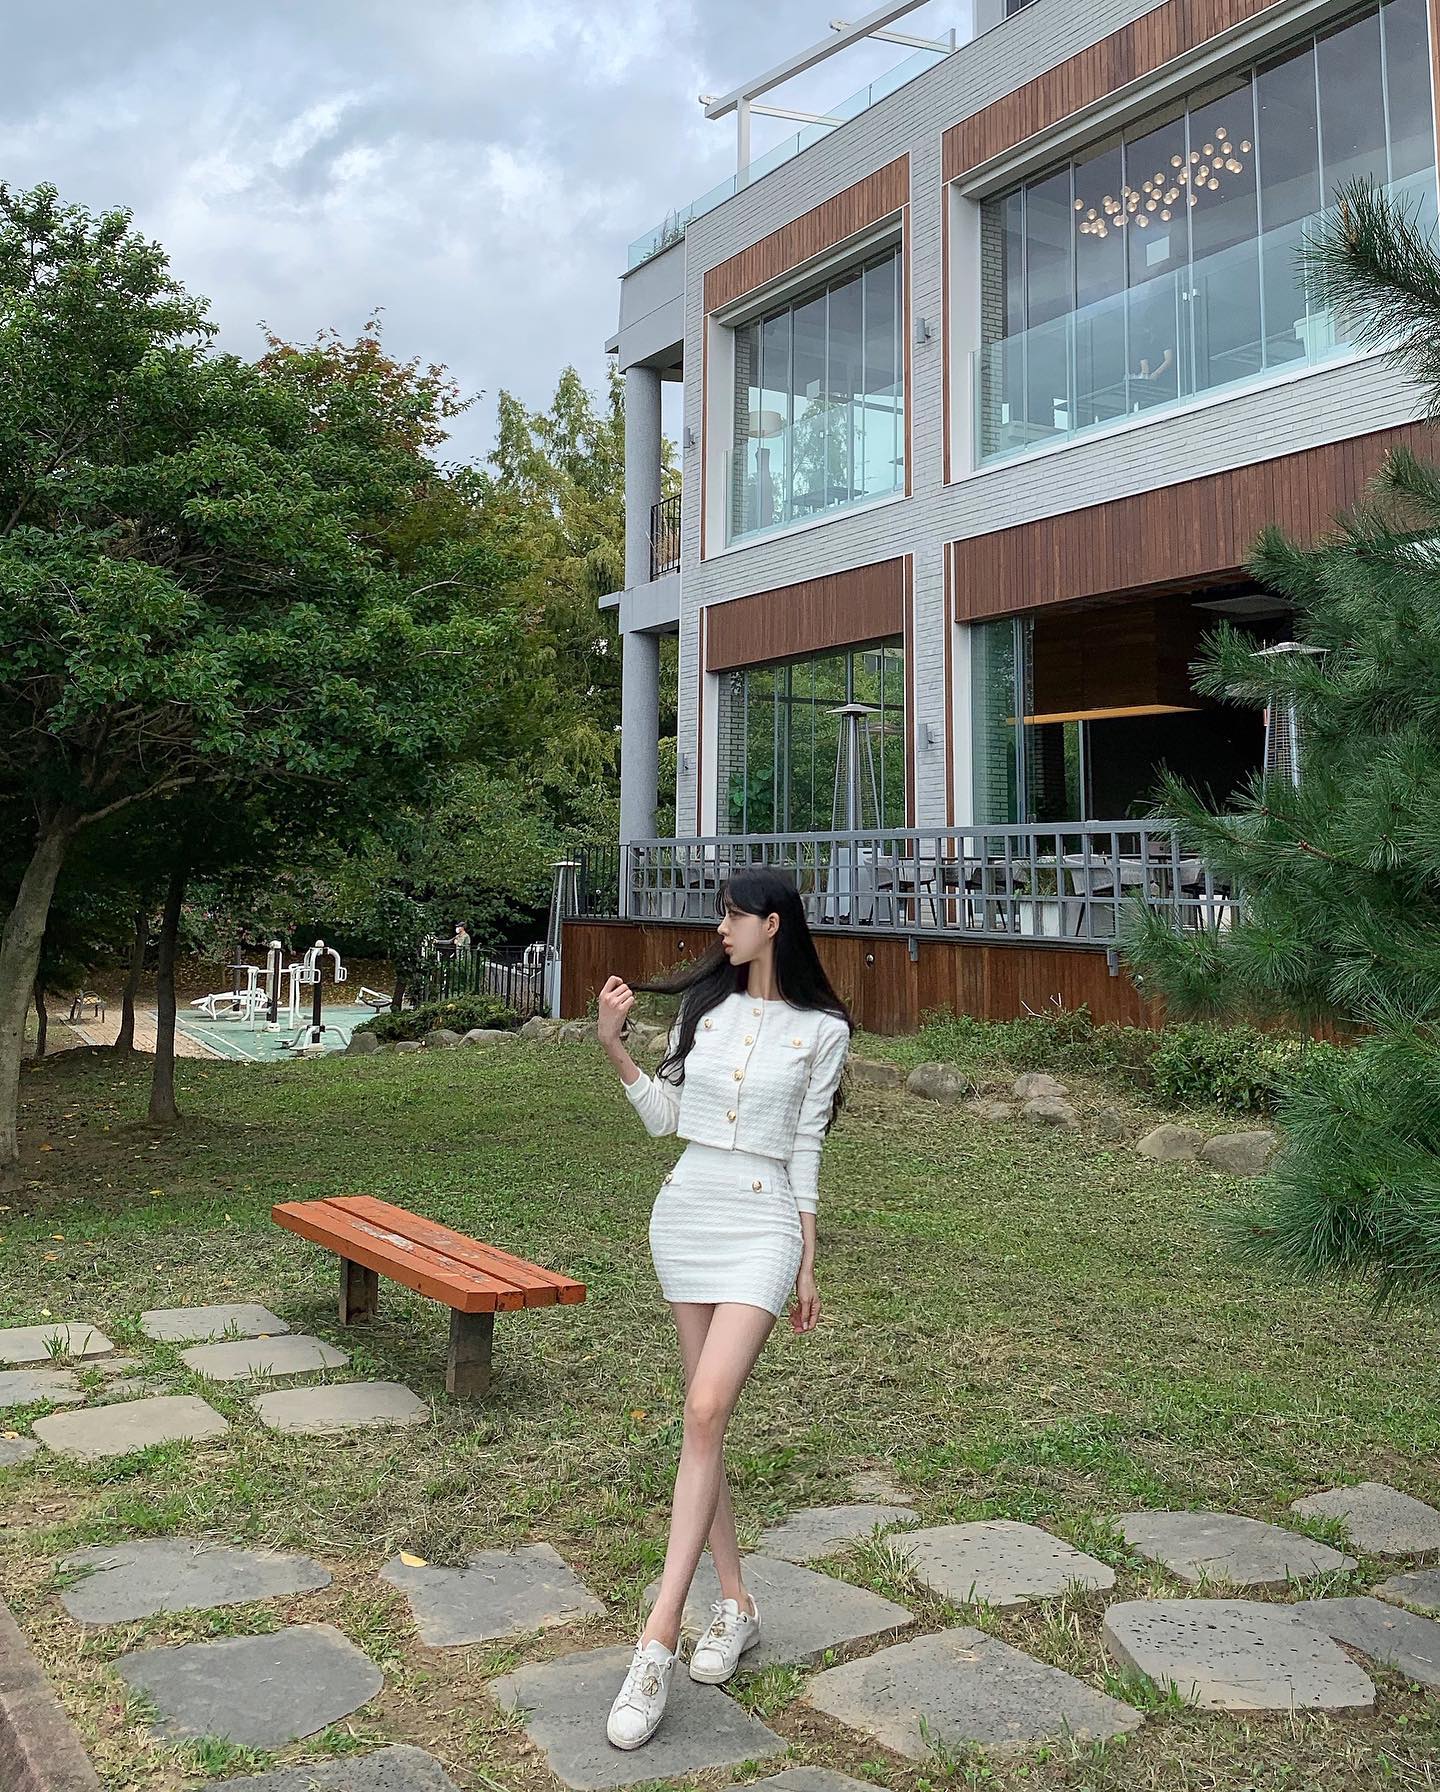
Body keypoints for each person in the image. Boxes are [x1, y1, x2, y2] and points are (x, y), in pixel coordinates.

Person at [594, 867, 852, 1750]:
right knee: (705, 1425)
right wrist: (617, 1049)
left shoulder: (824, 1030)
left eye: (733, 916)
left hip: (764, 1222)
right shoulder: (704, 1011)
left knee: (705, 1410)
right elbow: (666, 1118)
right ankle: (735, 1604)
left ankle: (656, 1639)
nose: (721, 930)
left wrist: (808, 1260)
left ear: (772, 924)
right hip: (687, 1214)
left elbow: (807, 1147)